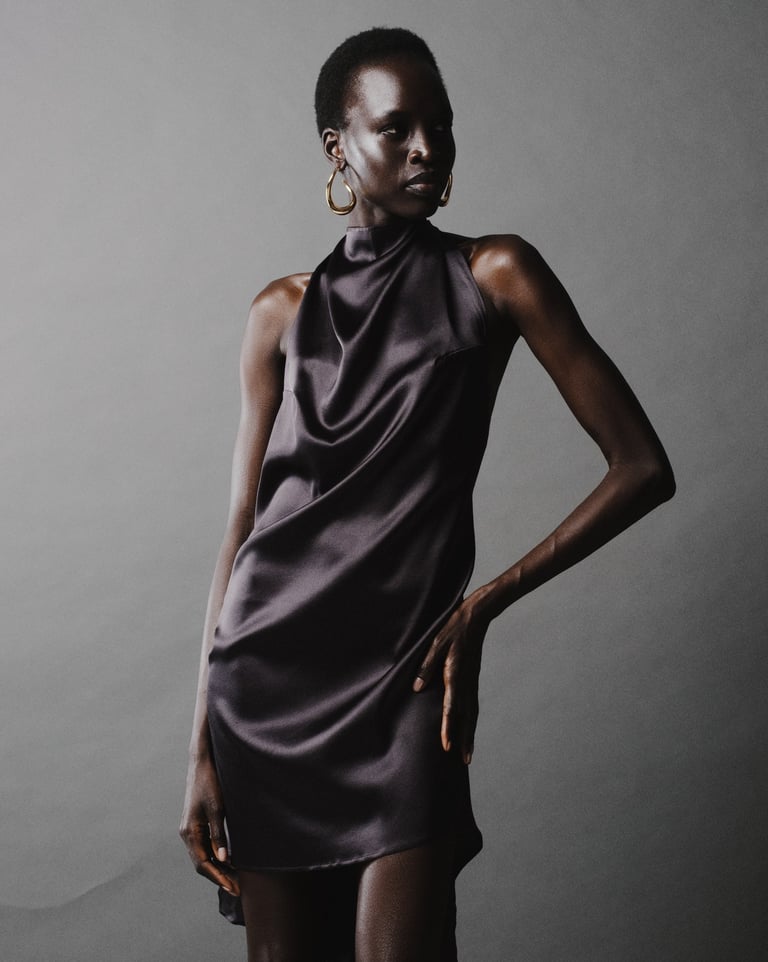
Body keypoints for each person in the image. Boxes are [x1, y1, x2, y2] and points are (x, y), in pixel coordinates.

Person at [179, 26, 675, 962]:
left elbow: (642, 466)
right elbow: (241, 529)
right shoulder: (280, 312)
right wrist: (201, 748)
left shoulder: (495, 273)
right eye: (396, 128)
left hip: (409, 674)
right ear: (339, 148)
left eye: (439, 125)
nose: (426, 148)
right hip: (265, 690)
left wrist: (483, 604)